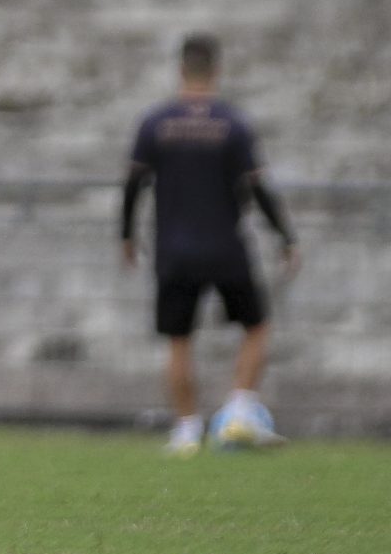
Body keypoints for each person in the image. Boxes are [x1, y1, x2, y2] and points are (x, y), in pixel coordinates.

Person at [120, 33, 299, 455]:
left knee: (179, 340)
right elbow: (258, 188)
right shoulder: (231, 123)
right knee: (256, 326)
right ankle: (238, 409)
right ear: (216, 70)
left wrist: (126, 235)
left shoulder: (156, 122)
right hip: (225, 246)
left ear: (181, 69)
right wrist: (285, 236)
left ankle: (186, 430)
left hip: (174, 248)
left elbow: (133, 184)